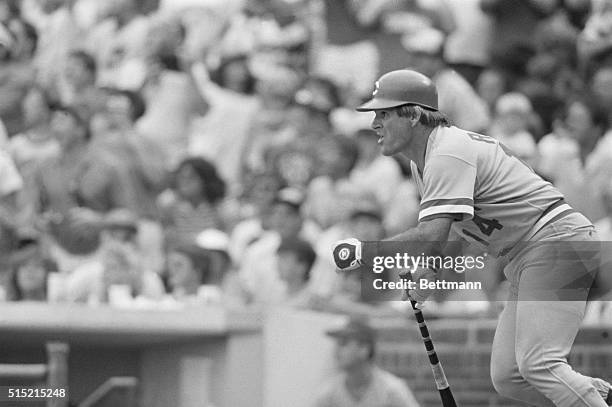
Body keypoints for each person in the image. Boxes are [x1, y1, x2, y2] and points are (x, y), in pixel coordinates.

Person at [332, 69, 612, 406]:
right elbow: (449, 229)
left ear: (415, 114)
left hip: (554, 240)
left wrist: (366, 251)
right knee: (509, 376)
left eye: (384, 113)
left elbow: (431, 233)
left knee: (539, 363)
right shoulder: (423, 160)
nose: (375, 123)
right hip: (530, 253)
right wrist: (429, 271)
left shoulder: (446, 151)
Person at [314, 318, 420, 407]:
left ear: (364, 349)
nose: (337, 351)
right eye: (337, 344)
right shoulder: (329, 395)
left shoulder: (391, 391)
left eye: (344, 343)